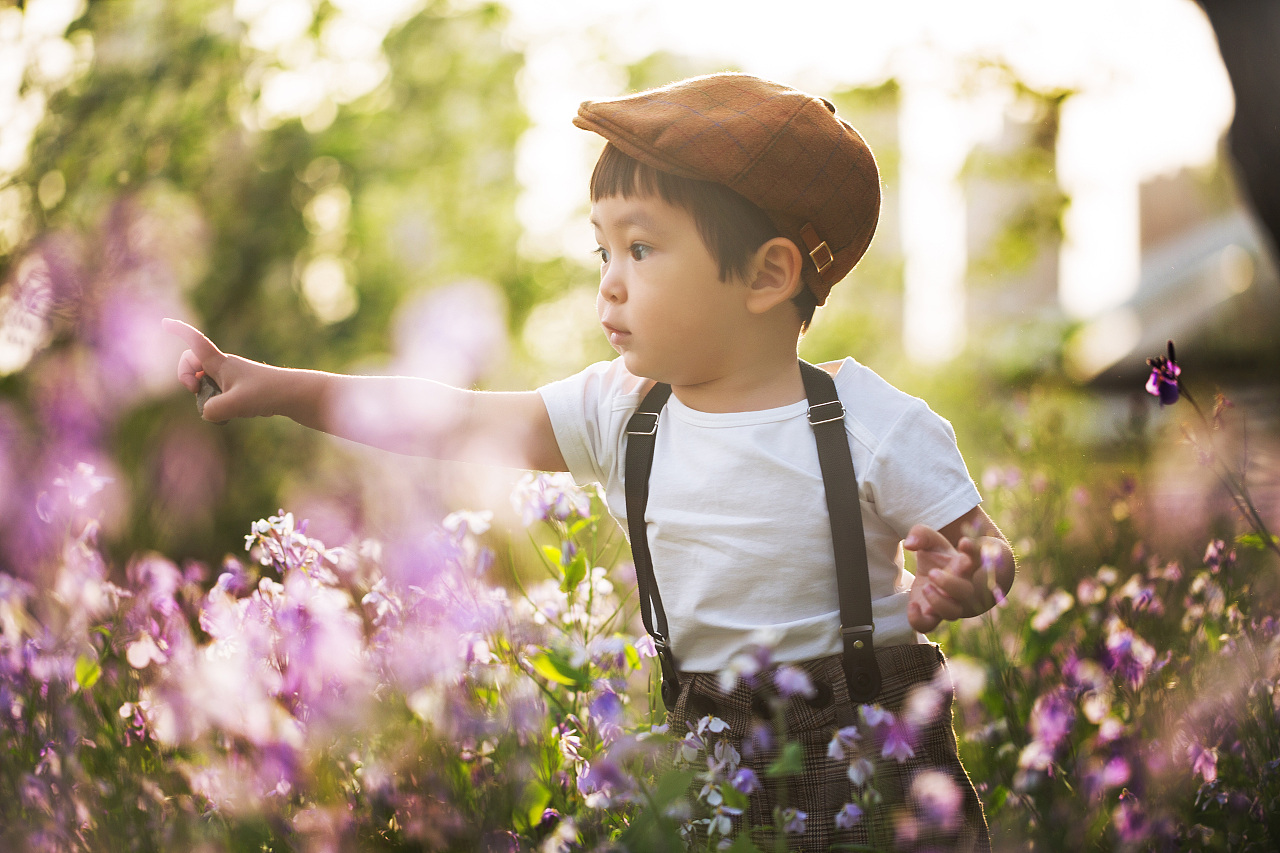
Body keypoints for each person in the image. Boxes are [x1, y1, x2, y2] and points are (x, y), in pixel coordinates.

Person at [165, 72, 1014, 851]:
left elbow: (985, 552)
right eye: (600, 251)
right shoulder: (622, 412)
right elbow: (452, 418)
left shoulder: (866, 422)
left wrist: (968, 573)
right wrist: (278, 386)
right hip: (707, 762)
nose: (607, 282)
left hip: (871, 761)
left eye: (640, 250)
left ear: (768, 275)